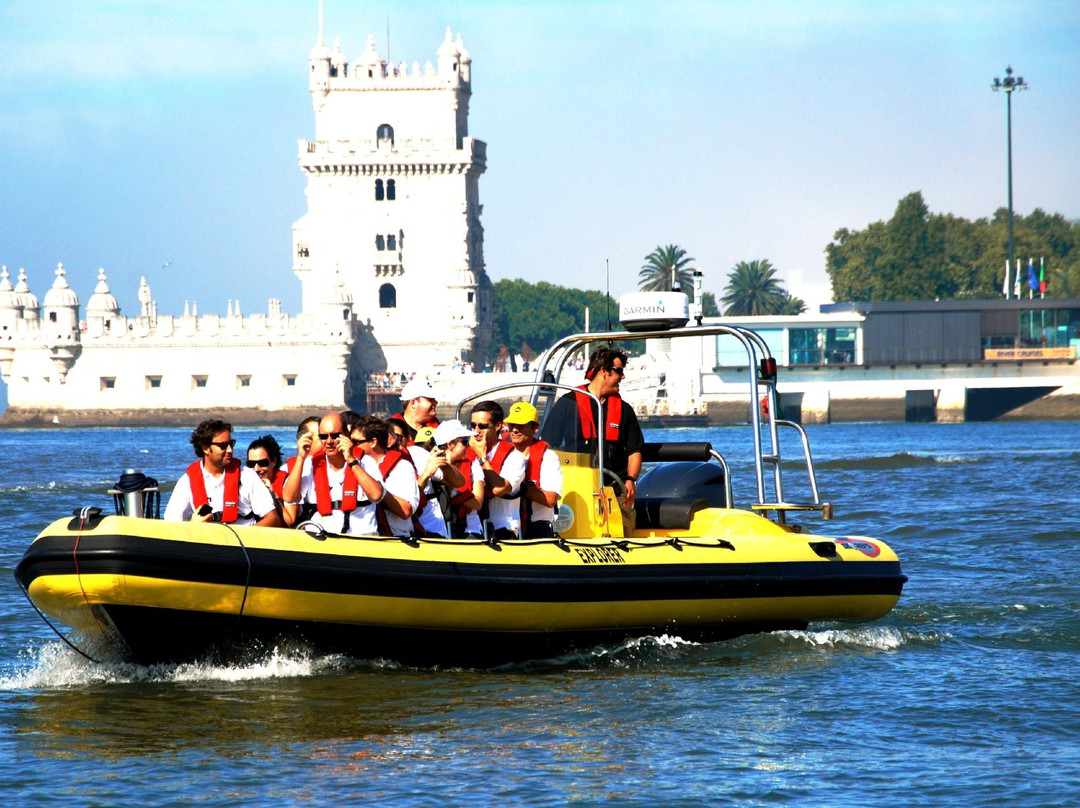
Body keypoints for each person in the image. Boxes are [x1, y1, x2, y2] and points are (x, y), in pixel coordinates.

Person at [541, 346, 644, 532]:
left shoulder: (625, 410)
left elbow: (634, 450)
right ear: (604, 372)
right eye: (619, 371)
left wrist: (630, 480)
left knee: (625, 529)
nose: (623, 377)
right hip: (577, 487)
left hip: (616, 489)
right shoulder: (567, 404)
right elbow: (546, 446)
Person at [281, 412, 384, 535]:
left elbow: (376, 495)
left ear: (346, 435)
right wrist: (301, 457)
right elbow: (289, 497)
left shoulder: (365, 462)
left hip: (360, 539)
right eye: (324, 437)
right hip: (322, 539)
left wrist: (351, 461)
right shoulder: (310, 465)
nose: (329, 441)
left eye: (335, 436)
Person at [164, 418, 281, 527]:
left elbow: (273, 518)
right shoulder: (187, 482)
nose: (230, 450)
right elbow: (171, 524)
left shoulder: (247, 476)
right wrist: (192, 526)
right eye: (223, 446)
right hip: (207, 543)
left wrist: (243, 538)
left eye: (231, 444)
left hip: (243, 544)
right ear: (205, 448)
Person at [351, 416, 420, 538]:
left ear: (373, 442)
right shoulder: (353, 466)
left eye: (357, 442)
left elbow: (406, 510)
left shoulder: (402, 467)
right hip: (365, 537)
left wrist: (377, 491)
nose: (352, 446)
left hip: (396, 537)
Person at [469, 400, 527, 539]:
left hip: (503, 527)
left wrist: (482, 457)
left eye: (482, 426)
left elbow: (498, 489)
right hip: (473, 525)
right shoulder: (464, 452)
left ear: (498, 426)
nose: (476, 431)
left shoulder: (515, 457)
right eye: (473, 425)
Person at [504, 401, 562, 538]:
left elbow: (550, 500)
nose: (514, 430)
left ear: (535, 428)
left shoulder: (548, 457)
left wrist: (519, 488)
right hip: (507, 526)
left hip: (537, 527)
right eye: (511, 425)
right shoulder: (500, 454)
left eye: (521, 425)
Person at [404, 424, 465, 537]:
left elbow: (459, 482)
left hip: (420, 527)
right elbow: (460, 482)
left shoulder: (415, 455)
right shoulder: (421, 455)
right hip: (427, 527)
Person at [434, 419, 485, 538]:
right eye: (464, 442)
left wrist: (451, 492)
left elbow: (477, 503)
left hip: (469, 528)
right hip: (440, 525)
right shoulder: (431, 465)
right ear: (450, 444)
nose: (468, 446)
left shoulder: (473, 464)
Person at [389, 378, 439, 445]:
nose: (436, 402)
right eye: (430, 399)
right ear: (413, 402)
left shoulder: (439, 429)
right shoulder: (390, 430)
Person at [247, 434, 286, 499]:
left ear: (273, 462)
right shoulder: (243, 484)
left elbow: (291, 510)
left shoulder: (286, 483)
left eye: (262, 463)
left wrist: (274, 496)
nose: (256, 469)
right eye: (251, 463)